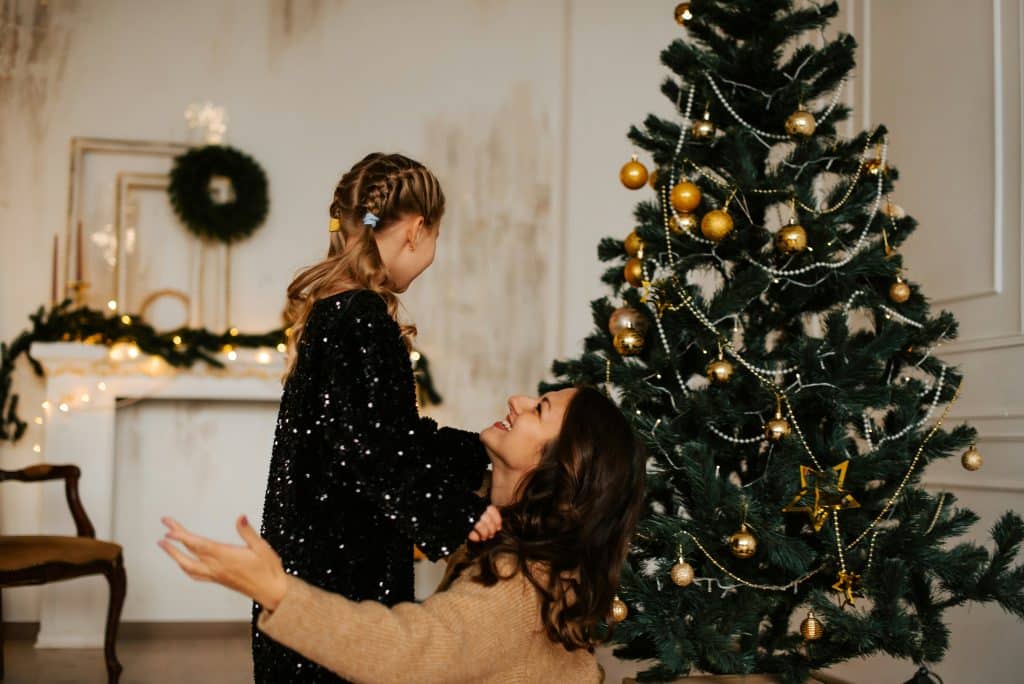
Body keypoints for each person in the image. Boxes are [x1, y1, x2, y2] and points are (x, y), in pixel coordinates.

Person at [161, 385, 646, 683]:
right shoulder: (492, 527)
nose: (516, 401)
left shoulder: (519, 582)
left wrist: (275, 590)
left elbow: (405, 654)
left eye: (539, 409)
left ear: (562, 465)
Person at [250, 153, 502, 682]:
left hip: (305, 554)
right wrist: (461, 513)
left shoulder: (331, 310)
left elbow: (388, 436)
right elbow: (378, 453)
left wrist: (479, 448)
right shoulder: (365, 320)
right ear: (416, 229)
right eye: (435, 237)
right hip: (340, 571)